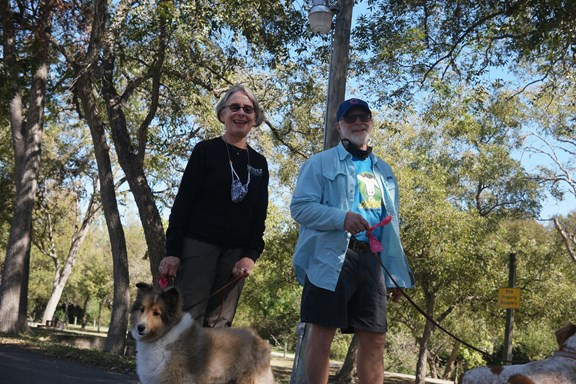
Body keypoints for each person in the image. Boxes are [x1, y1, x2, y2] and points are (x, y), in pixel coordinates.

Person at [290, 98, 415, 383]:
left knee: (375, 338)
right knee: (322, 335)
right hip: (330, 259)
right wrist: (341, 218)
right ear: (339, 126)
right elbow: (300, 208)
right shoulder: (319, 163)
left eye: (364, 117)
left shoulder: (383, 169)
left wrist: (397, 274)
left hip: (372, 262)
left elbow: (391, 226)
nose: (359, 122)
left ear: (371, 123)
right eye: (351, 118)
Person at [159, 84, 269, 328]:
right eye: (235, 107)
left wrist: (250, 256)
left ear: (255, 119)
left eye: (248, 109)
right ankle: (175, 368)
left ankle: (208, 368)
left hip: (235, 256)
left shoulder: (259, 163)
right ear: (223, 114)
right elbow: (183, 203)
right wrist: (173, 251)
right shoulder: (205, 151)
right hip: (198, 246)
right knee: (186, 318)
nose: (241, 112)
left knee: (219, 323)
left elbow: (259, 215)